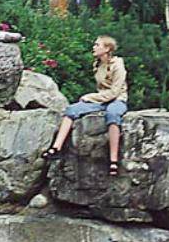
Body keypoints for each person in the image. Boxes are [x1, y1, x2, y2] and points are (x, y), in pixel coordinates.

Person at [44, 34, 129, 175]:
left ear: (107, 48)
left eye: (97, 45)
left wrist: (91, 97)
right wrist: (93, 99)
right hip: (101, 100)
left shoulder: (118, 65)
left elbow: (114, 92)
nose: (94, 47)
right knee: (72, 110)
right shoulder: (97, 64)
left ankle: (113, 161)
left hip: (117, 99)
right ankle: (56, 148)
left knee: (113, 114)